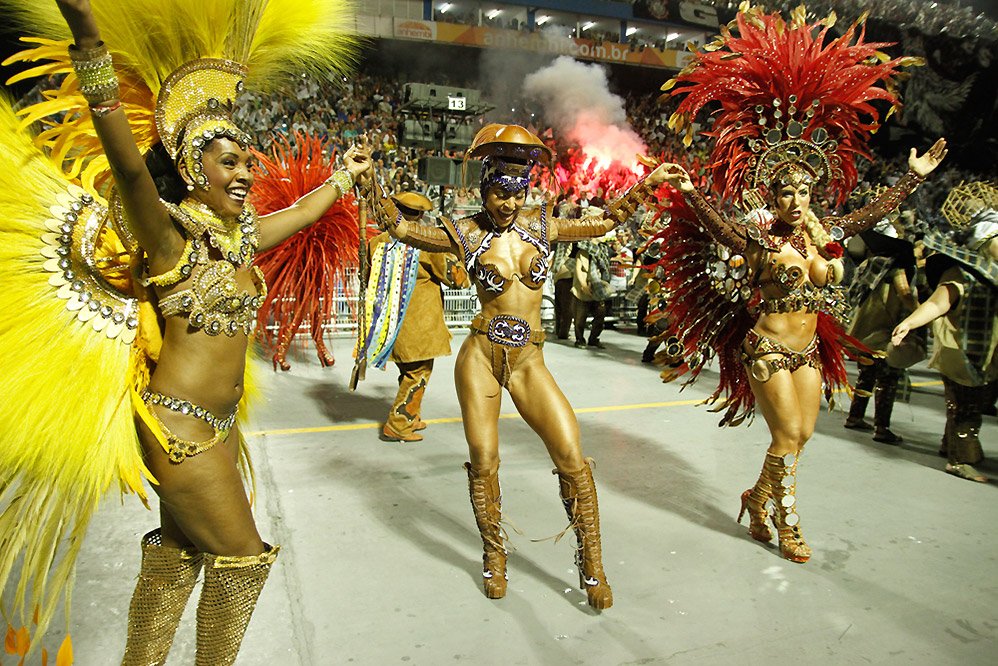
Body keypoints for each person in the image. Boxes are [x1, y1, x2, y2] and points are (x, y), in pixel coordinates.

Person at [0, 0, 366, 661]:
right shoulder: (169, 241)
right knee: (243, 560)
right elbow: (128, 163)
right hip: (179, 429)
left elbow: (307, 209)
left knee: (178, 557)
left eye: (248, 163)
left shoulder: (241, 240)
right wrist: (89, 39)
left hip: (215, 429)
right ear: (195, 171)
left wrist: (347, 175)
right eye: (230, 163)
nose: (246, 174)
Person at [655, 4, 946, 563]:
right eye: (785, 191)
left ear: (813, 192)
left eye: (803, 191)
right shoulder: (760, 238)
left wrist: (913, 178)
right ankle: (788, 522)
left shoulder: (826, 232)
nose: (794, 200)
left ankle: (756, 497)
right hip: (765, 347)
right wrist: (691, 191)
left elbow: (869, 215)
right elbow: (717, 226)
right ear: (773, 194)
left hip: (809, 350)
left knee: (800, 437)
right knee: (788, 436)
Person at [365, 123, 670, 609]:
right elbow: (402, 229)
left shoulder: (542, 225)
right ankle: (494, 555)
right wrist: (369, 180)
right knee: (484, 460)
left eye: (516, 193)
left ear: (526, 189)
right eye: (498, 193)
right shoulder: (464, 231)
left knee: (572, 456)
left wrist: (647, 185)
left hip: (530, 360)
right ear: (484, 188)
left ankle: (591, 564)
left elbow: (605, 223)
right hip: (481, 358)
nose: (506, 204)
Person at [891, 193, 998, 483]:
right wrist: (910, 323)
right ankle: (959, 459)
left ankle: (953, 445)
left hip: (984, 352)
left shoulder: (992, 273)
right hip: (960, 352)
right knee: (965, 406)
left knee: (969, 403)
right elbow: (938, 303)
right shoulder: (964, 272)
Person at [370, 192, 470, 442]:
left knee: (408, 371)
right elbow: (458, 279)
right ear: (421, 216)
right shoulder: (425, 243)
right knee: (418, 372)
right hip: (418, 327)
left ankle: (410, 415)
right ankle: (398, 423)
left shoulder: (377, 242)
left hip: (390, 325)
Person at [843, 216, 921, 444]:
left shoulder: (869, 263)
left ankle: (855, 416)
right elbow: (905, 294)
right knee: (888, 379)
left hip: (863, 328)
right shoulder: (894, 266)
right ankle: (882, 427)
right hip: (885, 329)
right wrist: (920, 313)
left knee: (866, 374)